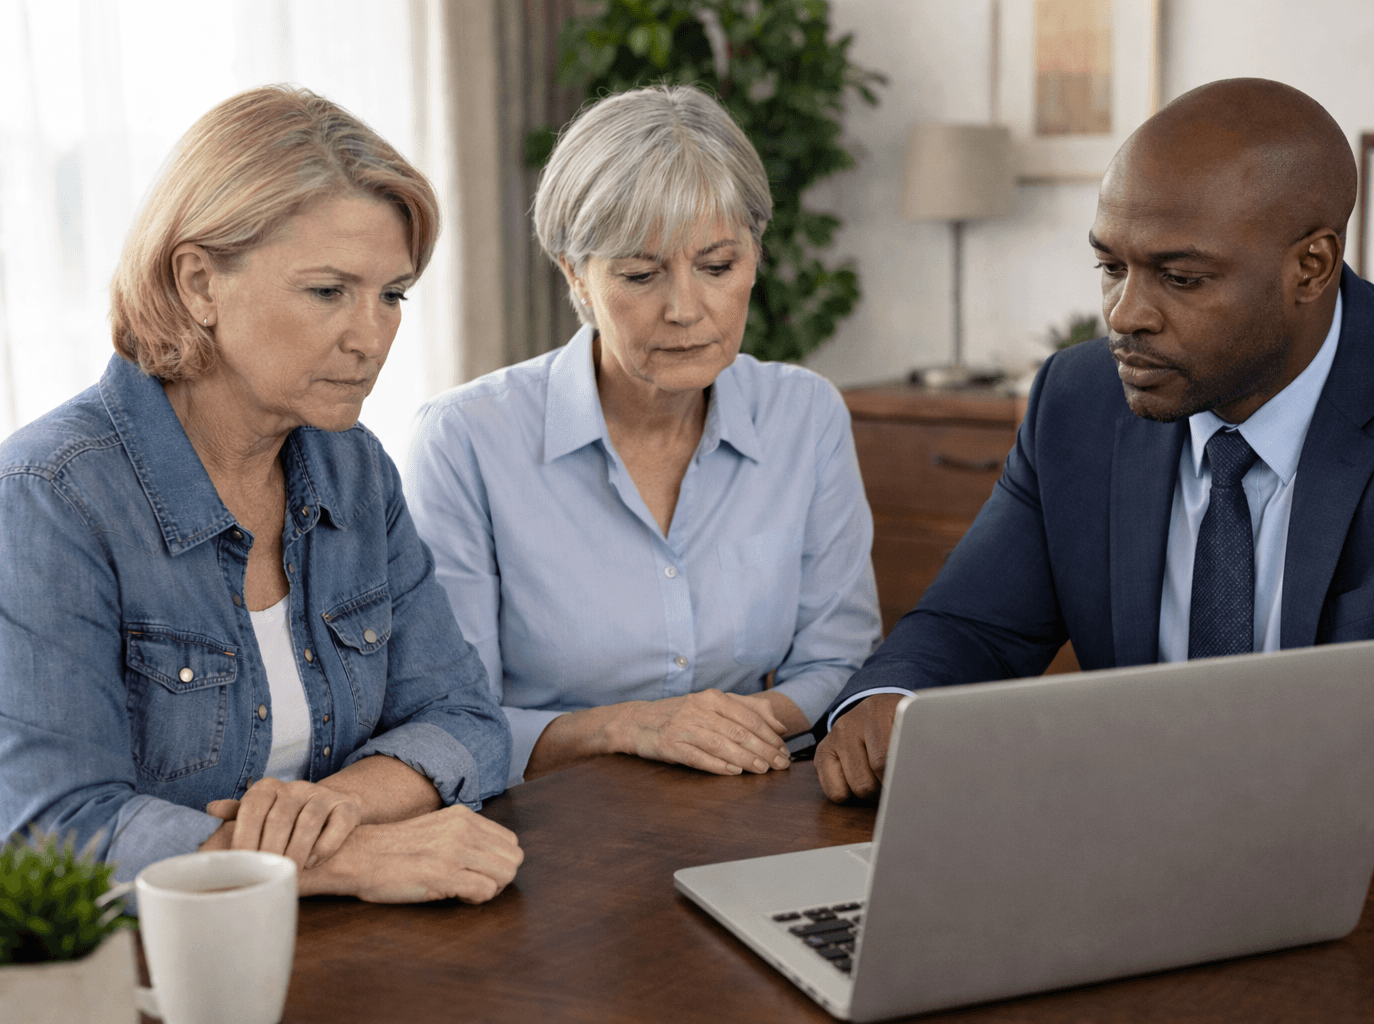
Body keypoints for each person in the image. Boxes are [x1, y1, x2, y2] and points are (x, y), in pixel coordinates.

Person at [816, 78, 1374, 831]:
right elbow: (972, 627)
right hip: (1119, 868)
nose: (1126, 314)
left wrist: (1153, 766)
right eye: (1110, 267)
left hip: (1362, 884)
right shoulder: (1078, 400)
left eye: (1181, 277)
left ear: (1312, 268)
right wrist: (888, 702)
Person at [0, 86, 524, 903]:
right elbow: (57, 828)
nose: (371, 337)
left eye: (392, 294)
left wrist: (330, 808)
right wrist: (339, 861)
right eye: (328, 292)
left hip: (339, 955)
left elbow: (467, 722)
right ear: (199, 282)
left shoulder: (355, 469)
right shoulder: (48, 497)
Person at [406, 85, 880, 786]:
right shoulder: (466, 440)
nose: (686, 309)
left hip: (748, 793)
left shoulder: (804, 414)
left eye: (718, 267)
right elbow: (452, 718)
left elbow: (836, 662)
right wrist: (634, 729)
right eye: (639, 274)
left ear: (755, 257)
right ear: (576, 275)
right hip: (548, 825)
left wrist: (722, 733)